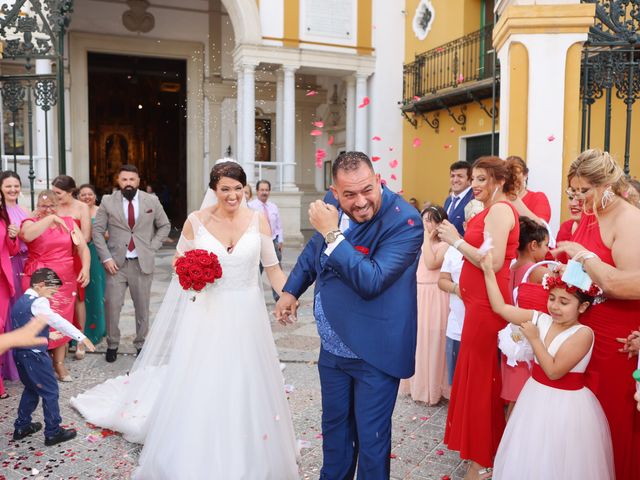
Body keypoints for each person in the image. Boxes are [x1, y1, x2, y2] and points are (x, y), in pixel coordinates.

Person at [72, 162, 299, 478]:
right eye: (225, 189)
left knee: (245, 376)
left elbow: (272, 269)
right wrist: (195, 272)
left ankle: (249, 444)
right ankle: (199, 445)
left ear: (245, 190)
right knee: (205, 376)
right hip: (207, 314)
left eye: (238, 189)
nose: (232, 195)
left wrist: (288, 296)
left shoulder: (257, 221)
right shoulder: (196, 221)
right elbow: (180, 262)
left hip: (247, 314)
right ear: (214, 190)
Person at [275, 151, 423, 479]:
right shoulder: (332, 204)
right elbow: (314, 251)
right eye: (349, 194)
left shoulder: (406, 222)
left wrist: (332, 234)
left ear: (379, 181)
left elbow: (371, 281)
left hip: (375, 352)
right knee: (336, 435)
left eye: (367, 190)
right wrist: (290, 290)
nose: (360, 202)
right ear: (335, 190)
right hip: (333, 350)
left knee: (371, 442)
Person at [481, 253, 614, 479]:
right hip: (534, 397)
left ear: (582, 307)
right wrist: (488, 272)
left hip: (567, 408)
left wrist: (534, 339)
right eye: (552, 298)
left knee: (559, 460)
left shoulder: (583, 334)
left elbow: (553, 371)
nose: (554, 306)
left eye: (564, 302)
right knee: (530, 453)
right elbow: (500, 308)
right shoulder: (540, 319)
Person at [552, 149, 640, 480]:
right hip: (586, 333)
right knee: (584, 423)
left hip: (617, 339)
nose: (579, 199)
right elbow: (588, 276)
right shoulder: (592, 215)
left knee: (610, 418)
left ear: (607, 185)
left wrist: (584, 256)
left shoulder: (629, 220)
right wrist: (564, 272)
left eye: (585, 191)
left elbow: (626, 284)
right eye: (573, 192)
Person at [436, 156, 520, 479]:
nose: (474, 184)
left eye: (482, 179)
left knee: (483, 380)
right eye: (473, 178)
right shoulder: (489, 210)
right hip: (476, 304)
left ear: (499, 181)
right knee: (476, 376)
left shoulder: (500, 210)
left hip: (486, 305)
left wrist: (455, 240)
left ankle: (484, 458)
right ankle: (479, 454)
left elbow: (494, 261)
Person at [92, 165, 170, 362]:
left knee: (142, 307)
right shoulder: (108, 202)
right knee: (112, 306)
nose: (128, 183)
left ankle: (141, 344)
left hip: (142, 262)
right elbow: (97, 231)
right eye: (124, 179)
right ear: (118, 181)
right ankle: (112, 344)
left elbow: (164, 225)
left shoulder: (151, 200)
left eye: (132, 179)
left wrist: (152, 247)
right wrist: (106, 257)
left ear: (138, 181)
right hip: (116, 264)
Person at [11, 268, 95, 446]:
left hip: (20, 354)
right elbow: (57, 320)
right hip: (35, 356)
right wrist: (80, 336)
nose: (51, 296)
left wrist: (47, 336)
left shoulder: (21, 301)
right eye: (51, 291)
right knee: (50, 391)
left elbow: (23, 326)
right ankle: (53, 432)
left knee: (31, 388)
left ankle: (21, 426)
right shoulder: (39, 302)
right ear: (41, 285)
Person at [20, 190, 90, 382]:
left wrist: (86, 267)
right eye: (44, 205)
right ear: (37, 206)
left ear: (59, 205)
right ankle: (39, 365)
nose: (48, 209)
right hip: (39, 280)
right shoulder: (29, 222)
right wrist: (49, 218)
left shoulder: (68, 222)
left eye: (52, 205)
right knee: (39, 322)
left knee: (61, 320)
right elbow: (27, 236)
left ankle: (59, 364)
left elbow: (82, 248)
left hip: (65, 279)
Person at [400, 205, 450, 405]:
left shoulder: (445, 244)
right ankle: (417, 385)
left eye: (431, 220)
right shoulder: (418, 241)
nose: (427, 224)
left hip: (436, 293)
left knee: (434, 340)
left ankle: (434, 388)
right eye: (424, 219)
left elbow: (431, 263)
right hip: (419, 292)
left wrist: (427, 240)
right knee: (419, 339)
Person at [501, 217, 550, 419]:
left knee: (514, 394)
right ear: (533, 246)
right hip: (528, 339)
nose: (548, 250)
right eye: (546, 245)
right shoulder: (539, 272)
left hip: (510, 335)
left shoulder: (510, 267)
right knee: (522, 396)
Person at [438, 199, 484, 387]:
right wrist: (459, 289)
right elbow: (442, 280)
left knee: (478, 382)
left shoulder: (491, 253)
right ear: (465, 225)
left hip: (482, 328)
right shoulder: (453, 251)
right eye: (473, 221)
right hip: (457, 327)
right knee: (457, 381)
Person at [52, 175, 92, 359]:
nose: (55, 196)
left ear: (70, 192)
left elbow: (86, 236)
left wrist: (72, 244)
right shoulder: (53, 207)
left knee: (78, 298)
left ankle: (79, 339)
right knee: (56, 298)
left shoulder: (82, 207)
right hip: (55, 257)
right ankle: (60, 340)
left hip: (75, 256)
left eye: (58, 193)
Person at [1, 171, 29, 383]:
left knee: (23, 312)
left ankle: (25, 361)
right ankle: (9, 366)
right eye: (8, 186)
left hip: (24, 264)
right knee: (8, 313)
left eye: (16, 186)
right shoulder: (2, 214)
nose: (12, 190)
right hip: (7, 266)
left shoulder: (24, 211)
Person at [78, 184, 106, 345]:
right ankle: (80, 332)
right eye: (83, 194)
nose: (87, 197)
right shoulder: (76, 210)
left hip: (97, 254)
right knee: (81, 294)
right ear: (78, 197)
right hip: (77, 254)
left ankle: (97, 330)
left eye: (90, 194)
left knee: (97, 292)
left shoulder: (102, 211)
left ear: (95, 196)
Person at [248, 179, 284, 301]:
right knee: (257, 270)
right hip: (257, 242)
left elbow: (279, 225)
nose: (264, 192)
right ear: (257, 191)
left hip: (273, 241)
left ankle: (279, 296)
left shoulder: (273, 206)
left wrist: (280, 240)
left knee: (276, 269)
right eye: (262, 190)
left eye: (267, 190)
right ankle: (254, 296)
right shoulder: (250, 207)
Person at [0, 187, 18, 399]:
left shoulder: (4, 220)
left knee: (2, 328)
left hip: (2, 281)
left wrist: (13, 238)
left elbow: (11, 251)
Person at [505, 156, 552, 225]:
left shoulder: (538, 198)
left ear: (525, 175)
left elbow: (541, 227)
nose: (512, 179)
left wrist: (513, 198)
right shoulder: (499, 199)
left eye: (516, 174)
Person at [444, 161, 473, 236]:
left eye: (460, 176)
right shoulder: (448, 200)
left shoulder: (474, 200)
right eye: (452, 176)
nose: (455, 180)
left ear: (469, 179)